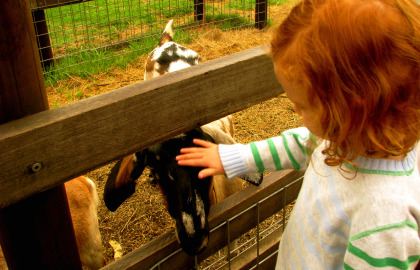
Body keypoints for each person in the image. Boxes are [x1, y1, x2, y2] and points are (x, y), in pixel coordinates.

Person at [176, 0, 420, 268]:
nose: (293, 107)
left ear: (351, 110)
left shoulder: (383, 221)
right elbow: (300, 145)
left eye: (303, 105)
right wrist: (233, 157)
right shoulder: (344, 138)